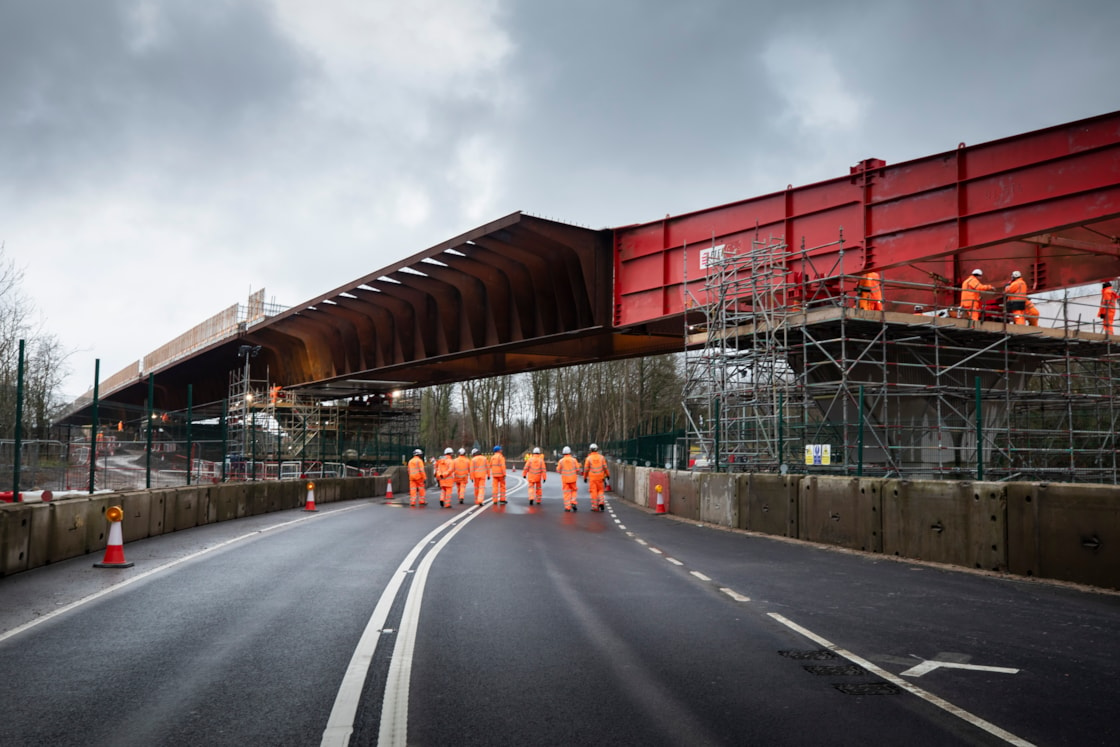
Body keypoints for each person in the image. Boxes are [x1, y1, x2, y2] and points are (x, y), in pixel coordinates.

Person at [582, 443, 610, 512]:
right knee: (600, 490)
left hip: (592, 478)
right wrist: (607, 475)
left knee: (593, 492)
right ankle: (601, 502)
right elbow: (605, 467)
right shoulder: (601, 457)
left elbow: (586, 469)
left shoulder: (588, 458)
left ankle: (595, 506)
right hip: (600, 477)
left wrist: (585, 477)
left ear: (590, 450)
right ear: (597, 449)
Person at [556, 446, 581, 512]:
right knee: (574, 491)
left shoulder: (561, 461)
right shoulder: (574, 460)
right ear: (570, 452)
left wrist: (562, 471)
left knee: (566, 493)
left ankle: (567, 507)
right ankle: (573, 502)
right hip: (573, 479)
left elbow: (558, 470)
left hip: (565, 480)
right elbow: (578, 469)